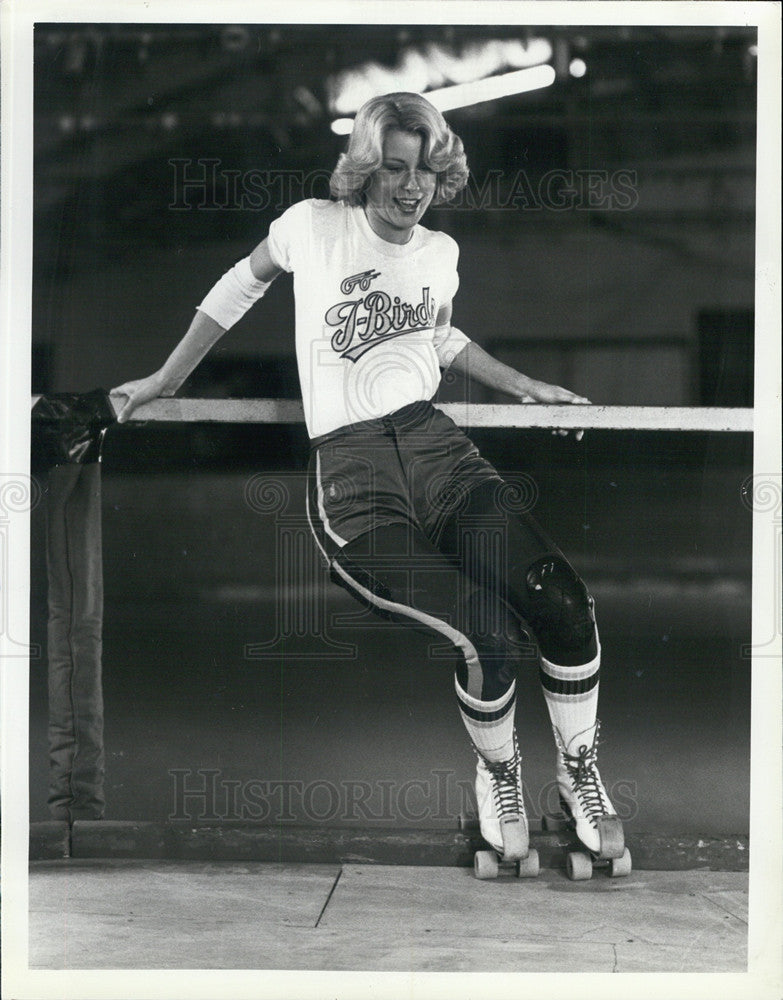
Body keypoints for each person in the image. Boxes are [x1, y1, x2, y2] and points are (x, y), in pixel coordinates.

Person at [111, 91, 626, 875]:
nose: (410, 186)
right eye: (392, 168)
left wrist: (523, 384)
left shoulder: (438, 252)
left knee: (561, 601)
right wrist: (162, 377)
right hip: (354, 475)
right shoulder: (312, 226)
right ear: (363, 169)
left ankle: (578, 778)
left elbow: (438, 334)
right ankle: (499, 780)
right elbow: (235, 288)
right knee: (484, 633)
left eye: (424, 170)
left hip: (435, 449)